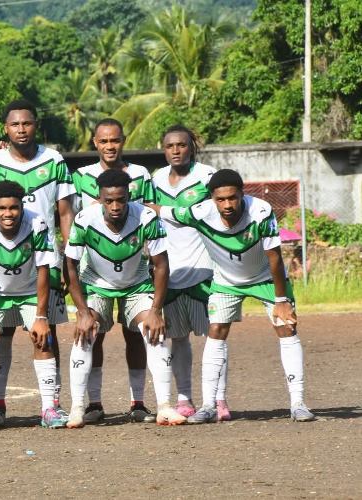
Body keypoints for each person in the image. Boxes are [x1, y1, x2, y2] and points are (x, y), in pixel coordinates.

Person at [156, 168, 315, 423]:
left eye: (232, 198)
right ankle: (208, 406)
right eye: (220, 199)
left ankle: (298, 403)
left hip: (265, 278)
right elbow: (162, 210)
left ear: (242, 194)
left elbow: (274, 257)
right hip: (226, 282)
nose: (227, 205)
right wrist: (132, 206)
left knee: (287, 328)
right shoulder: (199, 213)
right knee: (216, 331)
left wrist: (281, 301)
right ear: (211, 198)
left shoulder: (261, 211)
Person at [0, 99, 74, 425]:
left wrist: (68, 258)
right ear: (6, 128)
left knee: (46, 331)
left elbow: (65, 213)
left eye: (26, 123)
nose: (21, 129)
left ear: (35, 126)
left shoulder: (54, 160)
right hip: (0, 266)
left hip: (43, 259)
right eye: (15, 124)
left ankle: (52, 403)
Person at [65, 169, 186, 428]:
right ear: (99, 198)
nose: (115, 206)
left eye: (121, 200)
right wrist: (83, 312)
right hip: (96, 284)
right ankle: (80, 408)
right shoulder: (84, 219)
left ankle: (162, 406)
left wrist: (156, 310)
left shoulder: (147, 218)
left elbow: (161, 265)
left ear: (129, 196)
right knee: (85, 333)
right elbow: (71, 266)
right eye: (109, 201)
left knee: (155, 333)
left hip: (136, 285)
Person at [71, 118, 156, 424]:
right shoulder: (81, 176)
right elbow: (70, 215)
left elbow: (150, 213)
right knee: (95, 334)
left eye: (115, 140)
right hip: (94, 268)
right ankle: (94, 404)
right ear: (95, 143)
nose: (110, 146)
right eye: (104, 141)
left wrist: (150, 253)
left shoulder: (141, 174)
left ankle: (138, 403)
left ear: (123, 141)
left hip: (134, 267)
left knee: (136, 335)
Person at [0, 181, 65, 429]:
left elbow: (44, 269)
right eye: (1, 208)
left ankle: (49, 409)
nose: (8, 213)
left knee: (43, 339)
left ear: (22, 207)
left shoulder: (37, 223)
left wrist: (41, 317)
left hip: (30, 290)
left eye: (13, 208)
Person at [150, 125, 228, 419]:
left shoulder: (207, 177)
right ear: (163, 149)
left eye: (181, 145)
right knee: (178, 338)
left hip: (204, 271)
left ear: (191, 147)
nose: (176, 150)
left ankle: (219, 399)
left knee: (216, 337)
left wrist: (160, 210)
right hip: (169, 273)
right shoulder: (156, 179)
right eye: (170, 146)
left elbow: (206, 216)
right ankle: (184, 397)